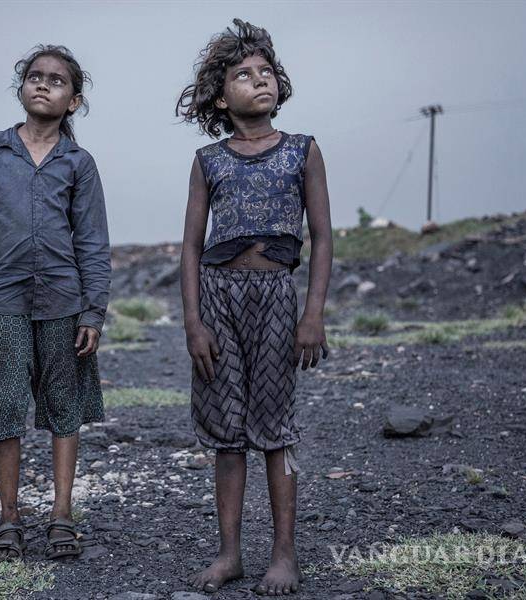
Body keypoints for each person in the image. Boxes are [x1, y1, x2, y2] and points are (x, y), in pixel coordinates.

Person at [176, 18, 333, 596]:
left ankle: (285, 555)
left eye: (266, 71)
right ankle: (229, 554)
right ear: (222, 95)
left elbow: (322, 236)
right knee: (226, 432)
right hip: (218, 298)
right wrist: (194, 323)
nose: (259, 80)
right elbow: (191, 246)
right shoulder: (208, 160)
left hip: (275, 300)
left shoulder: (302, 151)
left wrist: (311, 314)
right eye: (244, 75)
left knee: (275, 427)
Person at [0, 44, 111, 562]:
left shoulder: (78, 163)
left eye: (56, 81)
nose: (43, 85)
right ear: (21, 88)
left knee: (64, 406)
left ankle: (62, 515)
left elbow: (93, 243)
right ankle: (9, 517)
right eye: (35, 77)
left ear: (74, 100)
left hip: (65, 301)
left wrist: (94, 311)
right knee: (5, 406)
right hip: (5, 300)